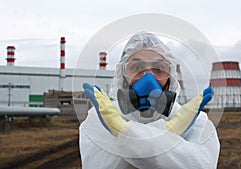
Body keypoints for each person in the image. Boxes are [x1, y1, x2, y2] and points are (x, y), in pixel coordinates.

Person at [79, 32, 220, 169]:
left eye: (159, 69)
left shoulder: (195, 119)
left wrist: (122, 131)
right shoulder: (99, 117)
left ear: (170, 76)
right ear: (122, 76)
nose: (148, 78)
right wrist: (170, 132)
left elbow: (202, 165)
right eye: (137, 68)